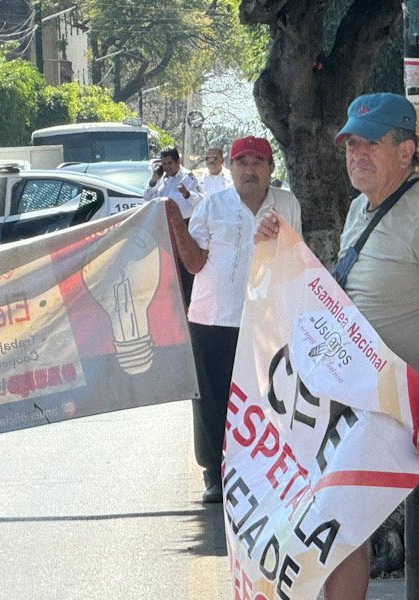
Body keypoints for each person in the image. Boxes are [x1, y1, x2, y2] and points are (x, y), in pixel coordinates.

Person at [257, 92, 419, 600]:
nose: (356, 154)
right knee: (341, 525)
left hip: (407, 407)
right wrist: (279, 248)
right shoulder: (357, 209)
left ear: (406, 152)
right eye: (350, 143)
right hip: (361, 408)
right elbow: (347, 289)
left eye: (371, 143)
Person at [167, 136, 302, 504]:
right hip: (212, 318)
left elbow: (295, 261)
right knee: (212, 398)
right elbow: (194, 264)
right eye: (242, 162)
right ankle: (214, 472)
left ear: (271, 169)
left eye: (258, 162)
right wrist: (177, 225)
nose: (249, 170)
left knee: (262, 398)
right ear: (230, 167)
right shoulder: (213, 205)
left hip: (265, 321)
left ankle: (258, 470)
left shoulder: (286, 204)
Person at [145, 147, 204, 305]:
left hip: (185, 226)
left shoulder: (188, 178)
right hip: (165, 227)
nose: (167, 167)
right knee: (168, 266)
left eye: (170, 163)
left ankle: (189, 301)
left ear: (178, 162)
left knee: (186, 267)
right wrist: (153, 180)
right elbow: (147, 198)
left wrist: (187, 194)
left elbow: (200, 200)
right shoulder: (162, 180)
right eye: (163, 163)